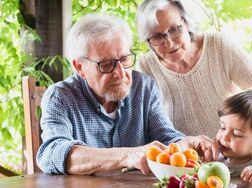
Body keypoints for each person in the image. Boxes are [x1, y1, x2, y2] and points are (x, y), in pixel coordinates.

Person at [36, 13, 218, 175]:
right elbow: (53, 153)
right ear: (80, 67)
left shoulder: (144, 88)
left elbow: (166, 137)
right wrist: (128, 155)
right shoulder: (60, 97)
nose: (121, 73)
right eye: (106, 65)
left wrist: (185, 143)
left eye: (124, 59)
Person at [135, 0, 252, 138]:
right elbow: (147, 122)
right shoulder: (146, 66)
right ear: (148, 40)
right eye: (158, 36)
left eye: (175, 30)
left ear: (186, 22)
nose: (169, 43)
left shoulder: (218, 45)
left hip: (234, 151)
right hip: (186, 160)